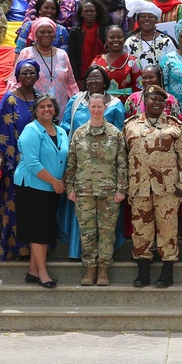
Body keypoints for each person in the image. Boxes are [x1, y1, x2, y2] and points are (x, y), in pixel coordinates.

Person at [124, 85, 182, 288]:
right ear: (145, 100)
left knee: (168, 230)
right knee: (141, 230)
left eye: (161, 100)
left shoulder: (174, 125)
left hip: (167, 188)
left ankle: (167, 271)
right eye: (153, 98)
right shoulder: (130, 125)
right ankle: (143, 271)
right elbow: (124, 156)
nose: (157, 102)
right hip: (139, 188)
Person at [0, 60, 41, 265]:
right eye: (24, 72)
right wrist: (0, 156)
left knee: (36, 207)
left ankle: (36, 249)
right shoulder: (10, 99)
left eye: (31, 72)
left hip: (40, 164)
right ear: (18, 77)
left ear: (37, 75)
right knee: (14, 206)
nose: (28, 75)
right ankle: (14, 248)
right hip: (16, 163)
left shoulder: (43, 98)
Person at [57, 66, 125, 262]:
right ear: (84, 82)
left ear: (105, 82)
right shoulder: (75, 100)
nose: (93, 82)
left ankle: (103, 262)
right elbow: (65, 127)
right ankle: (79, 253)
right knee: (83, 216)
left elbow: (120, 134)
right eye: (89, 78)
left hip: (106, 172)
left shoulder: (115, 104)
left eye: (98, 78)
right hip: (81, 166)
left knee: (105, 222)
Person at [64, 93, 128, 287]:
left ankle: (103, 270)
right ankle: (89, 269)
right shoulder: (79, 133)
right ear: (89, 108)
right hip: (84, 191)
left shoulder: (115, 134)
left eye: (100, 107)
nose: (96, 110)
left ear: (105, 108)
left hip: (109, 192)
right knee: (87, 232)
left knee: (107, 232)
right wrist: (70, 187)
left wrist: (121, 190)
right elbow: (72, 163)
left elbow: (122, 165)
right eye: (93, 107)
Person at [7, 95, 67, 287]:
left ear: (55, 109)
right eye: (41, 106)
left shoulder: (62, 132)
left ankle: (32, 270)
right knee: (39, 232)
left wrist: (61, 180)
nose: (46, 109)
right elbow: (32, 163)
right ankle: (43, 273)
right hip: (33, 187)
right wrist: (55, 182)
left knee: (43, 230)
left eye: (50, 106)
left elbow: (64, 157)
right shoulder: (31, 130)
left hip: (52, 188)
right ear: (35, 110)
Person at [14, 17, 78, 112]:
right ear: (35, 34)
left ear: (54, 35)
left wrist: (77, 103)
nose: (46, 35)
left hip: (60, 109)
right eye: (42, 32)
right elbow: (15, 80)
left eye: (50, 32)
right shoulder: (26, 53)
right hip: (34, 109)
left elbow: (71, 82)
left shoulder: (62, 54)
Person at [125, 0, 177, 70]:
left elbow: (173, 65)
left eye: (150, 16)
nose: (147, 19)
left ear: (156, 20)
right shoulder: (129, 41)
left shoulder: (166, 41)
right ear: (138, 20)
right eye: (143, 16)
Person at [67, 0, 109, 85]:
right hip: (81, 77)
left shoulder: (105, 31)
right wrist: (77, 80)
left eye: (92, 11)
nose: (89, 13)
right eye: (86, 11)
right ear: (81, 13)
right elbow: (72, 57)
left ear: (97, 13)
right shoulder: (75, 32)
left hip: (103, 75)